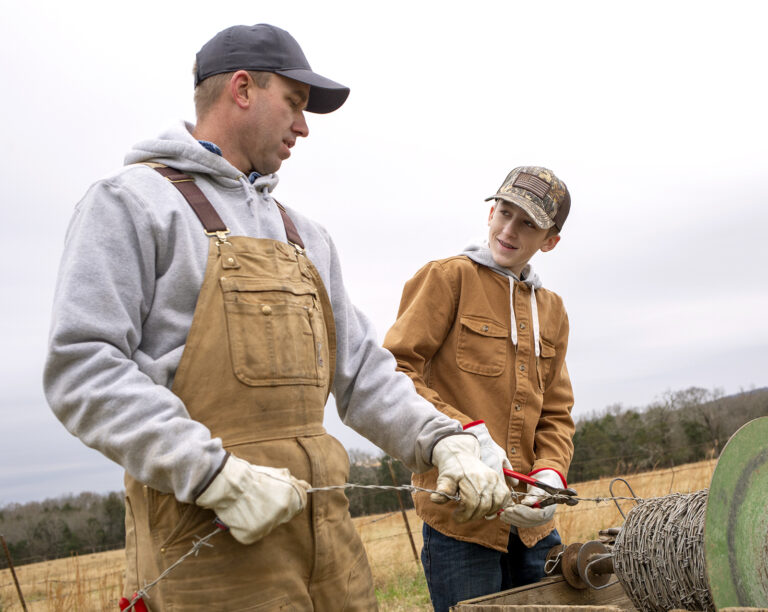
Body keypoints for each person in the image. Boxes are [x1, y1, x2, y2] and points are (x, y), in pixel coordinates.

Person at [43, 24, 511, 610]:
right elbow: (83, 366)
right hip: (208, 546)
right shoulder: (132, 204)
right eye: (294, 103)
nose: (304, 126)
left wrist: (444, 442)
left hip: (328, 547)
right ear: (242, 89)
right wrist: (210, 474)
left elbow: (364, 372)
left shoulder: (306, 236)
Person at [383, 166, 576, 611]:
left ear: (549, 240)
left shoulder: (553, 310)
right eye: (504, 213)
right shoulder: (446, 278)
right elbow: (396, 371)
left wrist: (549, 476)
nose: (509, 230)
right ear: (490, 212)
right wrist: (464, 437)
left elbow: (557, 411)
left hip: (533, 528)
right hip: (460, 521)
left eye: (527, 223)